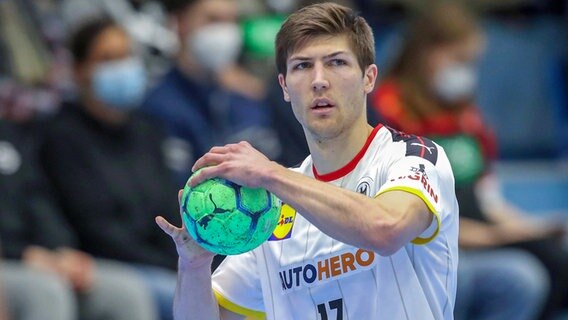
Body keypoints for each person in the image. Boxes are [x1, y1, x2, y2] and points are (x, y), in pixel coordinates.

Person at [156, 3, 459, 319]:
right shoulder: (270, 208)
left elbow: (385, 229)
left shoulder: (413, 157)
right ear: (285, 87)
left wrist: (271, 175)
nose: (319, 80)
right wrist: (194, 264)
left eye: (337, 63)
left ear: (369, 78)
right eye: (302, 66)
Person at [370, 2, 562, 319]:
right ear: (426, 53)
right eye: (459, 60)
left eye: (472, 63)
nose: (466, 72)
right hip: (427, 243)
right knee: (524, 274)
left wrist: (530, 228)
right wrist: (492, 237)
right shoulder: (387, 114)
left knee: (556, 260)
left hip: (480, 233)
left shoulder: (466, 117)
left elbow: (487, 198)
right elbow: (399, 216)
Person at [39, 18, 179, 320]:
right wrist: (170, 265)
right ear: (79, 71)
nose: (122, 67)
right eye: (107, 59)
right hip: (106, 265)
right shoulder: (60, 136)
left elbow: (170, 206)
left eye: (126, 56)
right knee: (180, 295)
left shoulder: (147, 129)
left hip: (163, 261)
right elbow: (95, 229)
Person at [0, 115, 157, 320]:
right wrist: (21, 254)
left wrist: (61, 250)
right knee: (47, 292)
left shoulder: (10, 134)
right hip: (12, 261)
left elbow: (39, 198)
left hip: (41, 257)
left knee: (128, 291)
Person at [143, 0, 282, 185]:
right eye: (213, 20)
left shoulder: (249, 98)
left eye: (232, 21)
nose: (225, 32)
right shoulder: (157, 106)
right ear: (179, 23)